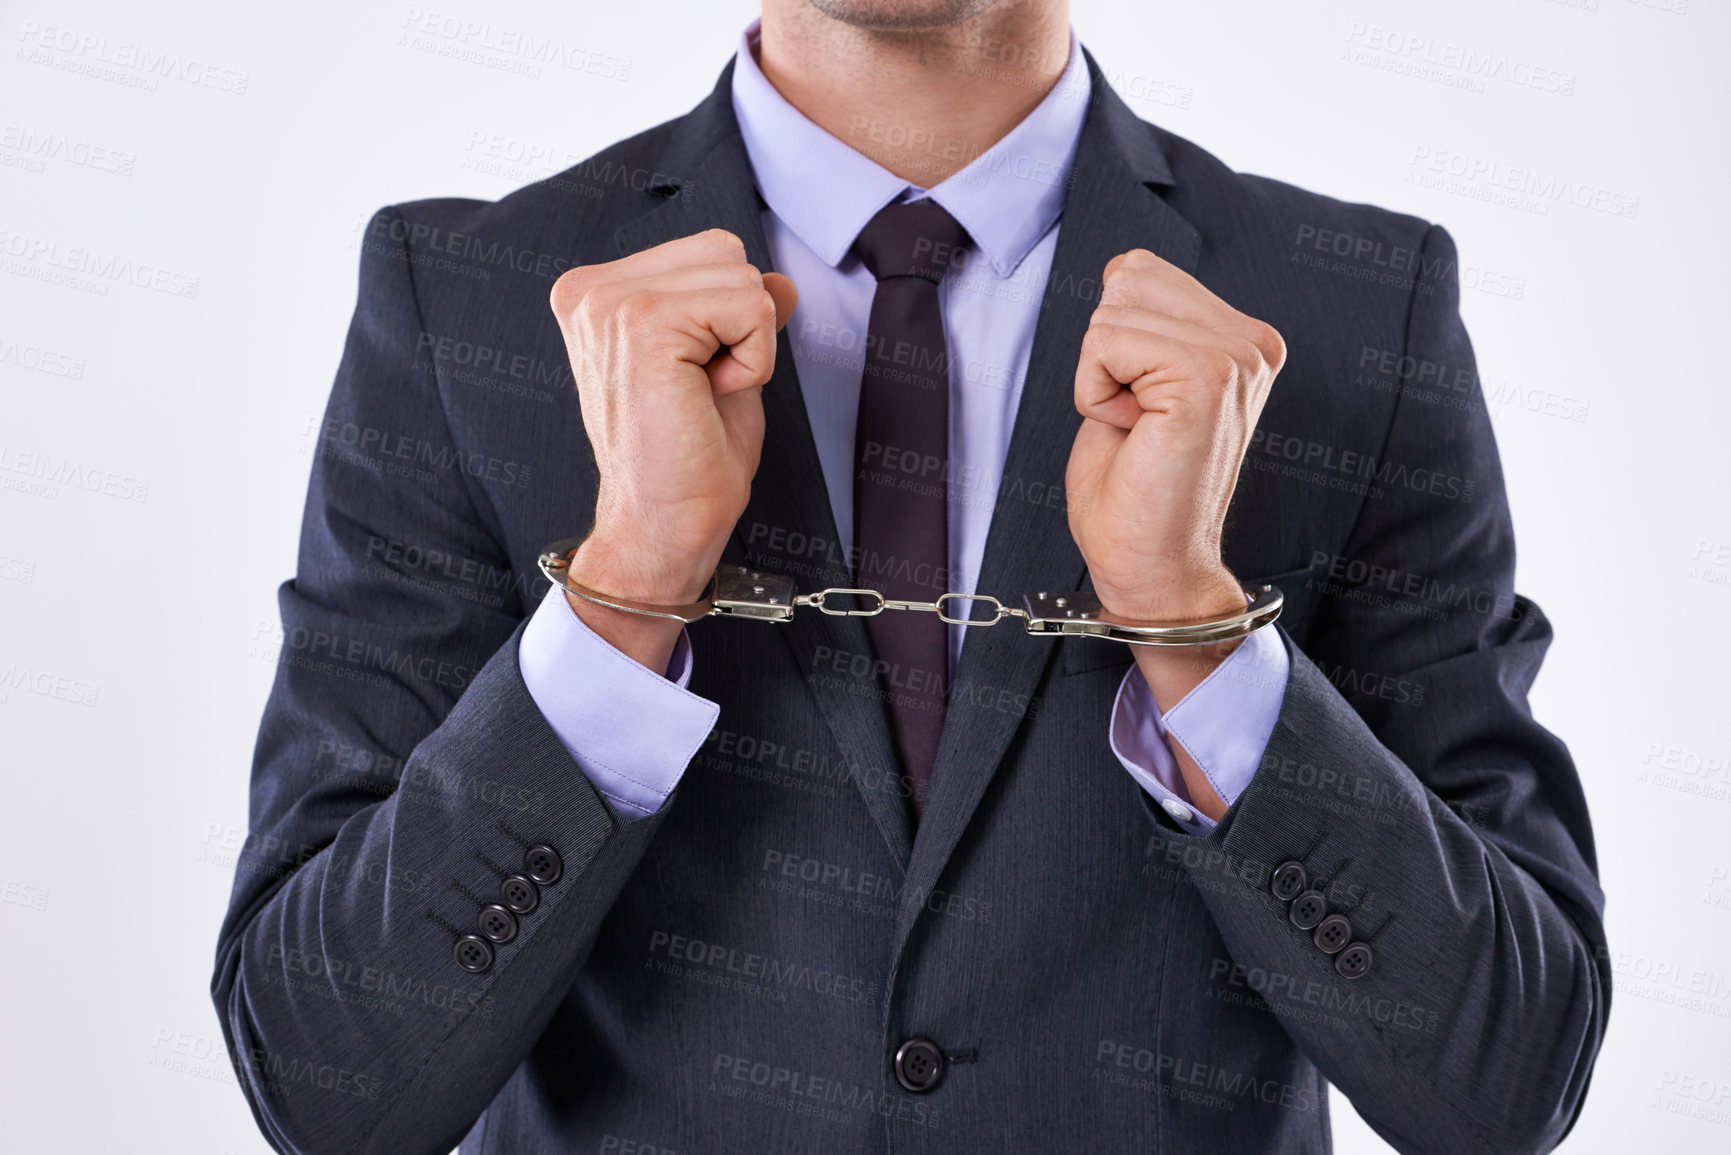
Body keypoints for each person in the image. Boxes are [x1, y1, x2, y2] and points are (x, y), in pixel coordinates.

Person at [211, 1, 1609, 1152]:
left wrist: (1196, 634)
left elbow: (1504, 1082)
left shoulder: (1351, 313)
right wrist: (622, 590)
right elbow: (328, 1083)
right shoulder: (467, 302)